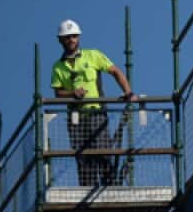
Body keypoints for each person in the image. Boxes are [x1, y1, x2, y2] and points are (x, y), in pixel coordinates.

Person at [49, 19, 137, 187]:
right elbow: (58, 93)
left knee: (103, 154)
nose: (71, 40)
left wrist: (128, 92)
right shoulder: (58, 67)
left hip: (96, 113)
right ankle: (88, 195)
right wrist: (72, 94)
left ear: (79, 37)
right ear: (60, 40)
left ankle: (111, 190)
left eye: (74, 36)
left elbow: (115, 71)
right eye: (67, 37)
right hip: (76, 119)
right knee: (84, 160)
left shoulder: (93, 55)